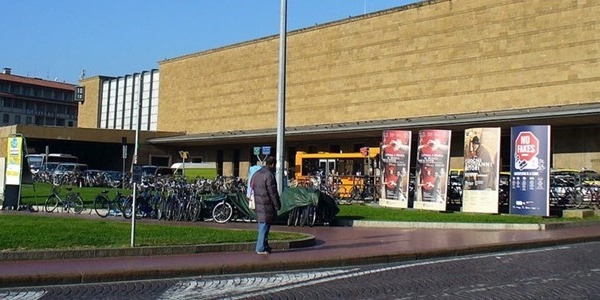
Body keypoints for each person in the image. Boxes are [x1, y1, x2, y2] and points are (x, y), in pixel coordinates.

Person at [250, 156, 281, 255]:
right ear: (272, 164)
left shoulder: (257, 174)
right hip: (266, 204)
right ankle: (260, 247)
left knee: (262, 225)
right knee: (264, 227)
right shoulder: (269, 175)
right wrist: (277, 205)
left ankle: (265, 246)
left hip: (258, 203)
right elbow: (273, 193)